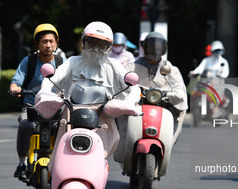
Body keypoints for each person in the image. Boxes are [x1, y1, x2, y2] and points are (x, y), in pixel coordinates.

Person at [35, 21, 141, 171]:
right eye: (91, 42)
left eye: (101, 44)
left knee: (100, 155)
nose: (95, 48)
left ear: (109, 46)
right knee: (63, 152)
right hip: (71, 113)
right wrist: (45, 92)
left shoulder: (114, 65)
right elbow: (52, 78)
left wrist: (128, 103)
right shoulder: (72, 62)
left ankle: (99, 185)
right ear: (84, 42)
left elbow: (134, 88)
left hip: (102, 116)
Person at [114, 31, 188, 163]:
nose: (156, 49)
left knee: (181, 109)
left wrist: (170, 94)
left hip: (163, 107)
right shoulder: (132, 66)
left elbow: (180, 91)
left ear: (164, 48)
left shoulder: (171, 69)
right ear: (146, 47)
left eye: (159, 46)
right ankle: (123, 152)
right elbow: (121, 86)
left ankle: (167, 146)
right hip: (137, 107)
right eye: (152, 46)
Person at [10, 23, 65, 180]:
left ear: (56, 43)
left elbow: (72, 81)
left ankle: (63, 162)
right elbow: (16, 80)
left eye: (51, 41)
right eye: (44, 41)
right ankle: (22, 163)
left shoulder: (62, 62)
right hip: (32, 106)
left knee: (66, 128)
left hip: (56, 107)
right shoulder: (29, 61)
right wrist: (15, 87)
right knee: (25, 125)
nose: (48, 45)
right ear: (37, 44)